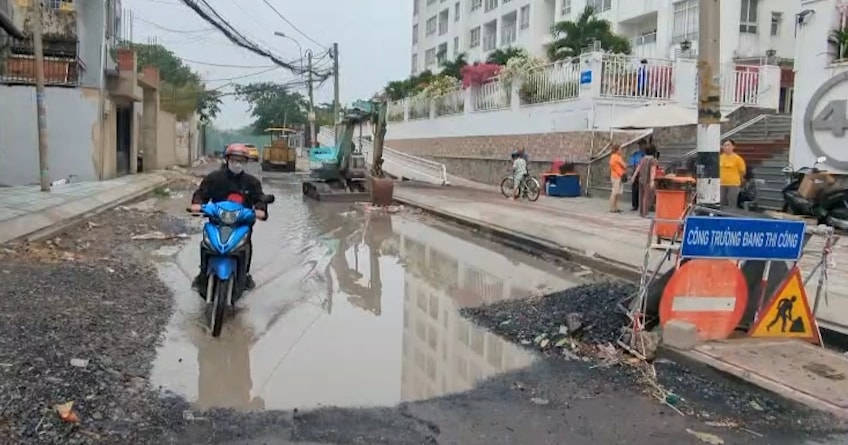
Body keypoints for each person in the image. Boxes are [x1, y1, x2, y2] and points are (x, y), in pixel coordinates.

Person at [190, 144, 268, 291]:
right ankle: (202, 274)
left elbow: (259, 198)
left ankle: (244, 274)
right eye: (234, 159)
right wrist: (197, 204)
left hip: (241, 224)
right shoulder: (214, 178)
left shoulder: (252, 182)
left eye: (241, 160)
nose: (237, 163)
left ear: (246, 162)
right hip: (217, 222)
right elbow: (201, 193)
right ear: (227, 159)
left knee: (246, 244)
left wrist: (260, 209)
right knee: (206, 244)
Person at [631, 145, 658, 217]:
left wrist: (633, 177)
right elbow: (653, 170)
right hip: (648, 180)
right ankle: (645, 212)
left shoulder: (642, 159)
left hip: (641, 179)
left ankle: (641, 212)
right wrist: (652, 181)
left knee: (641, 196)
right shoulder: (653, 160)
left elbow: (638, 168)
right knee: (647, 196)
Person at [720, 139, 747, 209]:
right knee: (722, 202)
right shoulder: (720, 158)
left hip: (733, 184)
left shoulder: (738, 159)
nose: (727, 147)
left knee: (732, 202)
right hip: (721, 184)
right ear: (722, 147)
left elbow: (742, 171)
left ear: (733, 147)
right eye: (725, 145)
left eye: (728, 145)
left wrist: (739, 178)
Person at [608, 144, 627, 213]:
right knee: (615, 192)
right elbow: (624, 165)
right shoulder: (617, 157)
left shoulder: (612, 157)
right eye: (620, 149)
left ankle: (614, 207)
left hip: (614, 176)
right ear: (617, 150)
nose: (621, 150)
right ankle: (613, 208)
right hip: (617, 176)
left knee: (616, 193)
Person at [628, 141, 646, 211]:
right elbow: (632, 163)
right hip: (636, 171)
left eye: (642, 145)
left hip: (644, 172)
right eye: (640, 145)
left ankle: (642, 204)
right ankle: (635, 205)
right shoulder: (635, 154)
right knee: (635, 189)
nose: (641, 147)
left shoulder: (646, 154)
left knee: (642, 189)